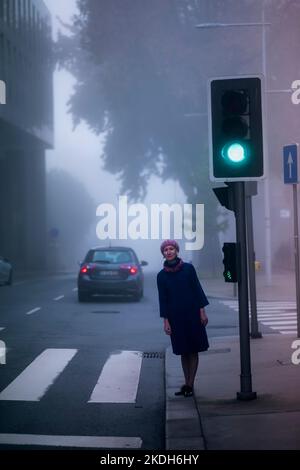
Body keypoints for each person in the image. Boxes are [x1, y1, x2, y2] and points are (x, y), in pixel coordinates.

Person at [157, 239, 209, 397]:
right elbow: (163, 300)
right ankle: (187, 383)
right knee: (183, 350)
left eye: (171, 248)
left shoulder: (188, 269)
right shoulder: (161, 276)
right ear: (163, 254)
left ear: (176, 251)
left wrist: (202, 311)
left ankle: (190, 385)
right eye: (165, 250)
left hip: (192, 313)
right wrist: (166, 321)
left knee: (193, 349)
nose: (169, 251)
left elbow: (197, 289)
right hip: (175, 317)